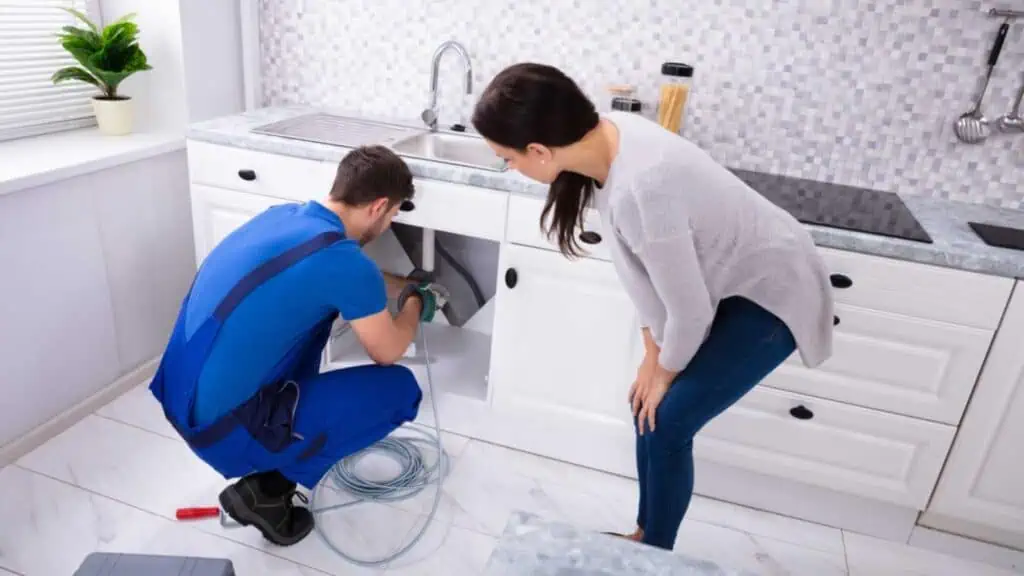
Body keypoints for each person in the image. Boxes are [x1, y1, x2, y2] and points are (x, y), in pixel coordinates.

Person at [471, 63, 835, 550]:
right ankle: (643, 535)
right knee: (647, 406)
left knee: (666, 419)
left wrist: (663, 370)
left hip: (774, 290)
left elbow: (688, 313)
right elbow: (644, 278)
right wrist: (652, 353)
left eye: (507, 158)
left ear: (538, 151)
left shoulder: (643, 187)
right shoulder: (603, 140)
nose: (508, 167)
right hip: (726, 281)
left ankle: (653, 555)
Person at [150, 145, 448, 546]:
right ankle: (267, 492)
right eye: (394, 213)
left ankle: (272, 452)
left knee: (305, 324)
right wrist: (415, 303)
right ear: (379, 206)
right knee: (400, 390)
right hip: (224, 434)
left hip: (181, 402)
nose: (391, 221)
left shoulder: (283, 219)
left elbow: (344, 273)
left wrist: (400, 285)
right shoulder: (345, 264)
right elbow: (387, 350)